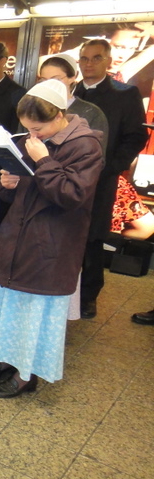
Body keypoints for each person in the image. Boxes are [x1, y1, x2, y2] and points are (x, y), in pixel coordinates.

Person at [0, 79, 104, 398]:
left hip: (50, 243)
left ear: (59, 115)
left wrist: (43, 159)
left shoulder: (86, 145)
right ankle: (6, 360)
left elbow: (72, 195)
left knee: (32, 314)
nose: (33, 135)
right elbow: (16, 192)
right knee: (10, 307)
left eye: (38, 128)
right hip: (18, 234)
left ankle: (25, 376)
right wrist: (8, 182)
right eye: (28, 128)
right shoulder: (34, 139)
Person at [73, 39, 148, 319]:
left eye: (95, 58)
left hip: (101, 179)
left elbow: (136, 136)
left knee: (93, 237)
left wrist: (112, 166)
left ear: (108, 61)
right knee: (67, 232)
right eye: (84, 58)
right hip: (67, 177)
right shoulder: (70, 92)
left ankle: (89, 295)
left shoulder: (124, 94)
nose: (89, 64)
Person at [38, 54, 109, 156]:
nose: (49, 84)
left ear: (72, 77)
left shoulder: (91, 112)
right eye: (44, 80)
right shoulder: (34, 107)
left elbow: (97, 157)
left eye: (56, 79)